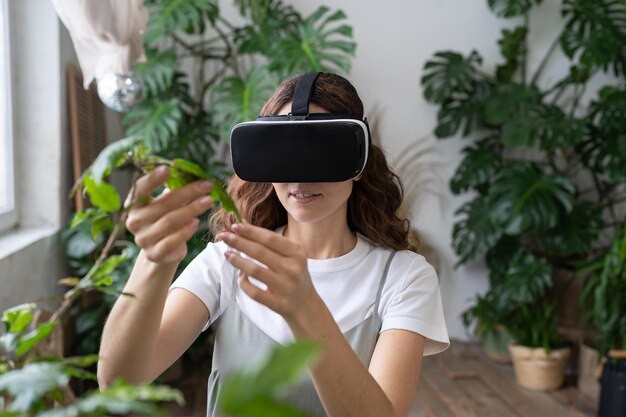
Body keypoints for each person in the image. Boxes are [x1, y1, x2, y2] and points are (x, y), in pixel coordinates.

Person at [97, 72, 449, 417]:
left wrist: (305, 307)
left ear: (357, 161)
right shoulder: (228, 261)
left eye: (319, 153)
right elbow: (118, 384)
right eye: (283, 153)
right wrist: (155, 260)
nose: (298, 177)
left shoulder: (403, 277)